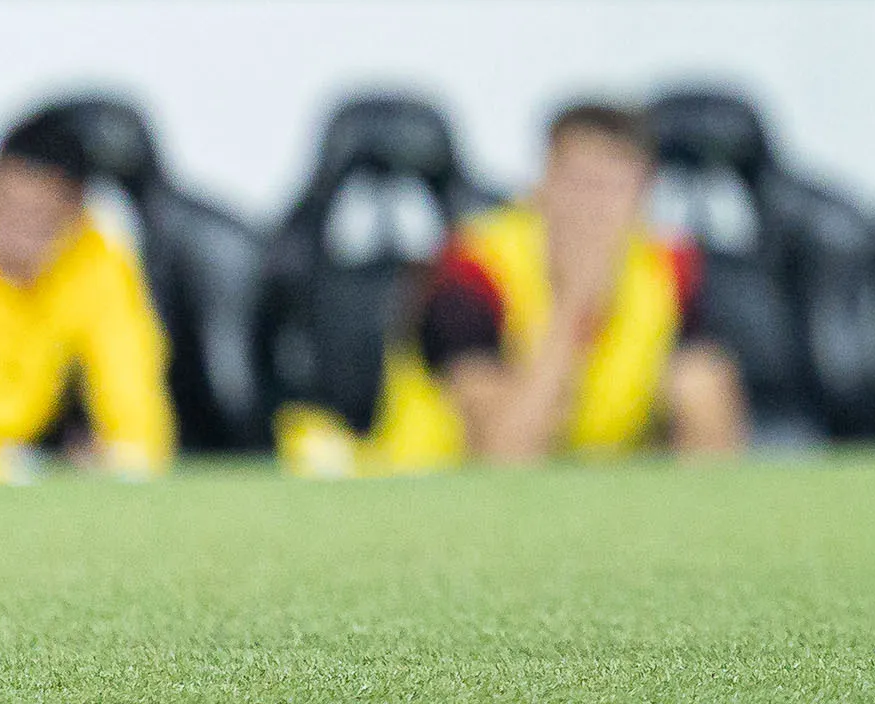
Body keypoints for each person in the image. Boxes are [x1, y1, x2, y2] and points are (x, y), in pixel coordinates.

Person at [296, 103, 747, 471]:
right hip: (438, 486)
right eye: (579, 184)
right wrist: (574, 305)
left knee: (700, 381)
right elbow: (504, 454)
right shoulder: (474, 267)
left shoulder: (669, 267)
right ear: (543, 185)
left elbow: (714, 421)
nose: (594, 209)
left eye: (613, 188)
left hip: (588, 490)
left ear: (643, 194)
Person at [0, 110, 172, 483]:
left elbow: (130, 379)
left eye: (39, 217)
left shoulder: (96, 260)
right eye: (6, 210)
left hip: (18, 460)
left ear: (75, 213)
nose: (16, 233)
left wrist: (126, 451)